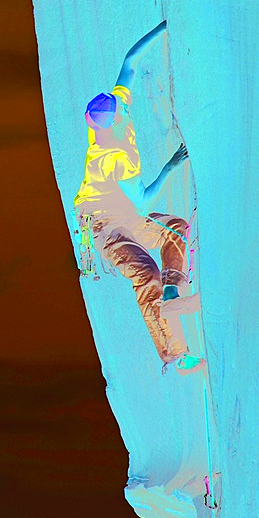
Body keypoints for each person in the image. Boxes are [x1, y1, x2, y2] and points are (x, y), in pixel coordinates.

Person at [74, 20, 205, 374]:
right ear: (112, 124)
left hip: (123, 214)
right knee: (145, 274)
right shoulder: (113, 159)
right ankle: (175, 354)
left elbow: (130, 60)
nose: (126, 109)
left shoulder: (114, 108)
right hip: (104, 226)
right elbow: (143, 203)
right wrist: (171, 166)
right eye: (122, 113)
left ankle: (173, 295)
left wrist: (166, 26)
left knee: (174, 230)